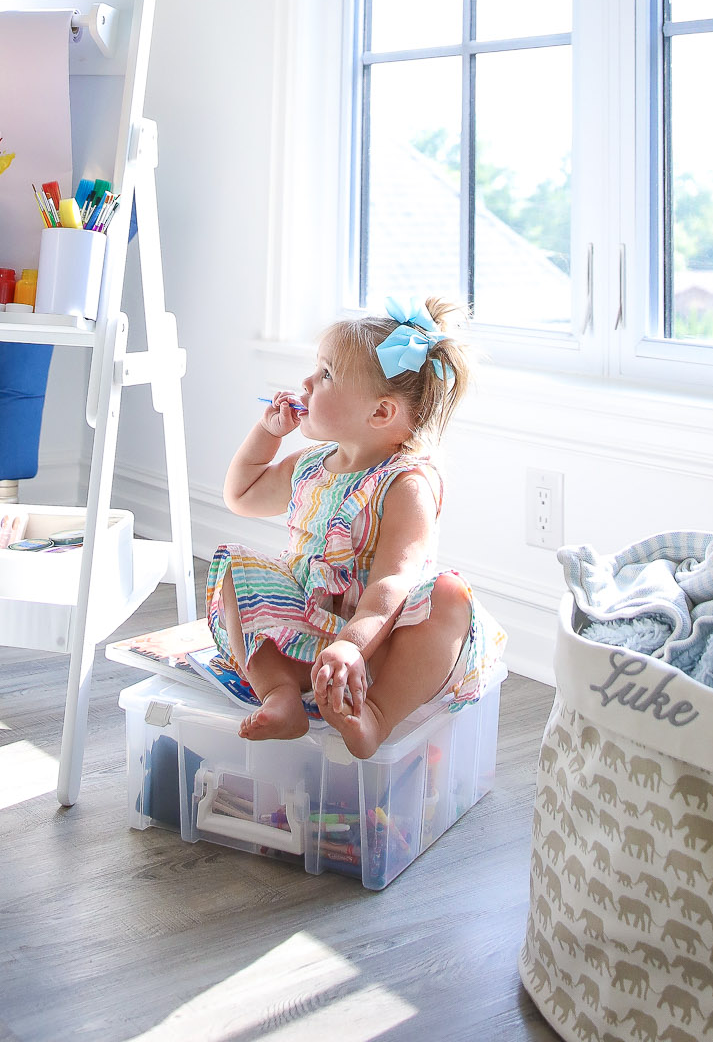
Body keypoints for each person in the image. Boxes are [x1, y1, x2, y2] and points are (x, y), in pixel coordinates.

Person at [209, 297, 504, 755]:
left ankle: (376, 715)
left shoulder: (406, 484)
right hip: (310, 619)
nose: (306, 382)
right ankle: (281, 694)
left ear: (381, 414)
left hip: (382, 636)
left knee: (450, 598)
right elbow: (241, 496)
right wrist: (267, 433)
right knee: (233, 569)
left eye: (326, 374)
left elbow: (393, 581)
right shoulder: (309, 466)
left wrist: (351, 646)